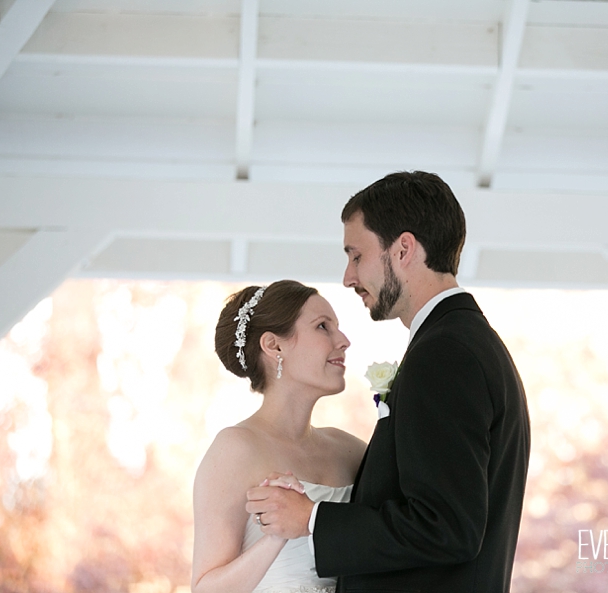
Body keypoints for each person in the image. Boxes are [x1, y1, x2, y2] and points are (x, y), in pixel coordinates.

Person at [247, 171, 531, 592]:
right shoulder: (464, 343)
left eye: (356, 255)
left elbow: (446, 527)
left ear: (403, 249)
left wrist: (311, 518)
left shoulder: (445, 354)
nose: (348, 276)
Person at [191, 280, 366, 593]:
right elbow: (206, 588)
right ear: (274, 346)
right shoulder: (235, 449)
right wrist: (275, 537)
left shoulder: (350, 451)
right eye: (323, 327)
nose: (343, 340)